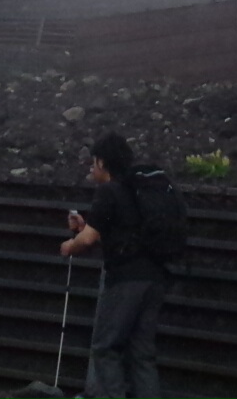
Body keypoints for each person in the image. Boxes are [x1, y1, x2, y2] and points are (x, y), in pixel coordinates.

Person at [60, 133, 171, 399]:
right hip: (155, 278)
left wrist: (68, 246)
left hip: (125, 280)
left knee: (105, 348)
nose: (91, 168)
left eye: (92, 163)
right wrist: (86, 228)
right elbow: (116, 231)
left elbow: (88, 240)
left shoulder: (109, 191)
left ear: (101, 162)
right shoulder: (136, 189)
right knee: (142, 353)